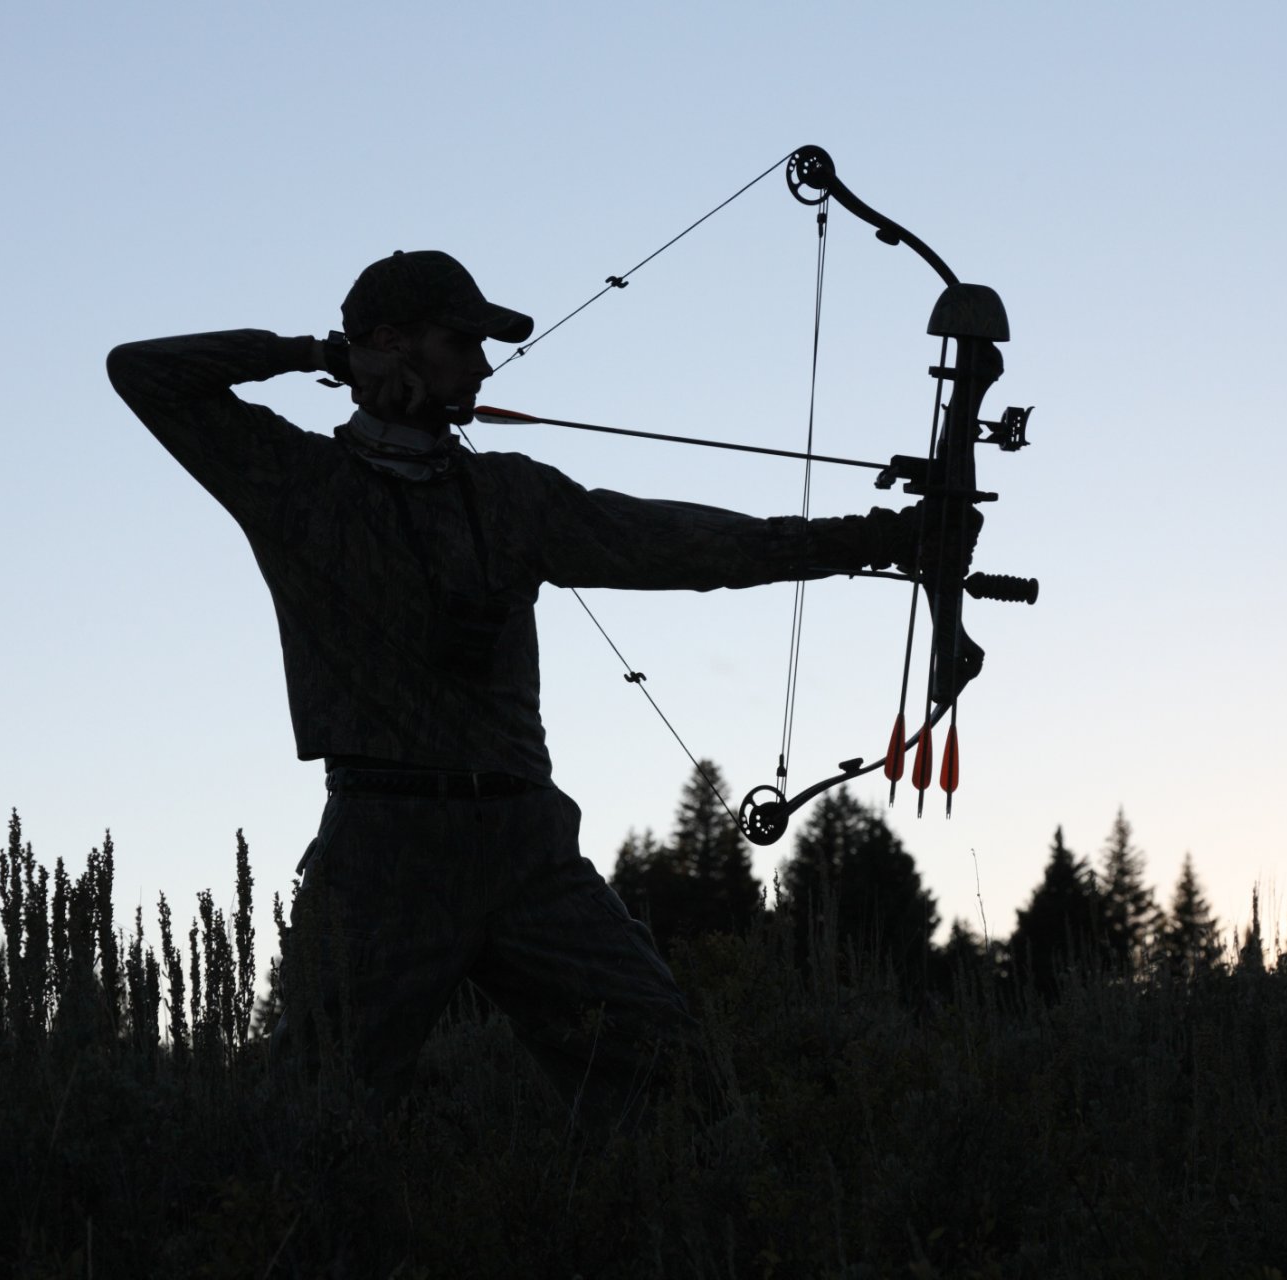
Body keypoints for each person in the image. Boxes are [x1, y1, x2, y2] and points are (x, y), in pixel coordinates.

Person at [107, 249, 925, 1131]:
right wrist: (317, 353)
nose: (482, 367)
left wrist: (881, 537)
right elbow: (143, 372)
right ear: (387, 343)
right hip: (385, 843)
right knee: (314, 1122)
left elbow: (685, 546)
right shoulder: (296, 480)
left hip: (527, 845)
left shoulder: (509, 495)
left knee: (672, 1088)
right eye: (461, 342)